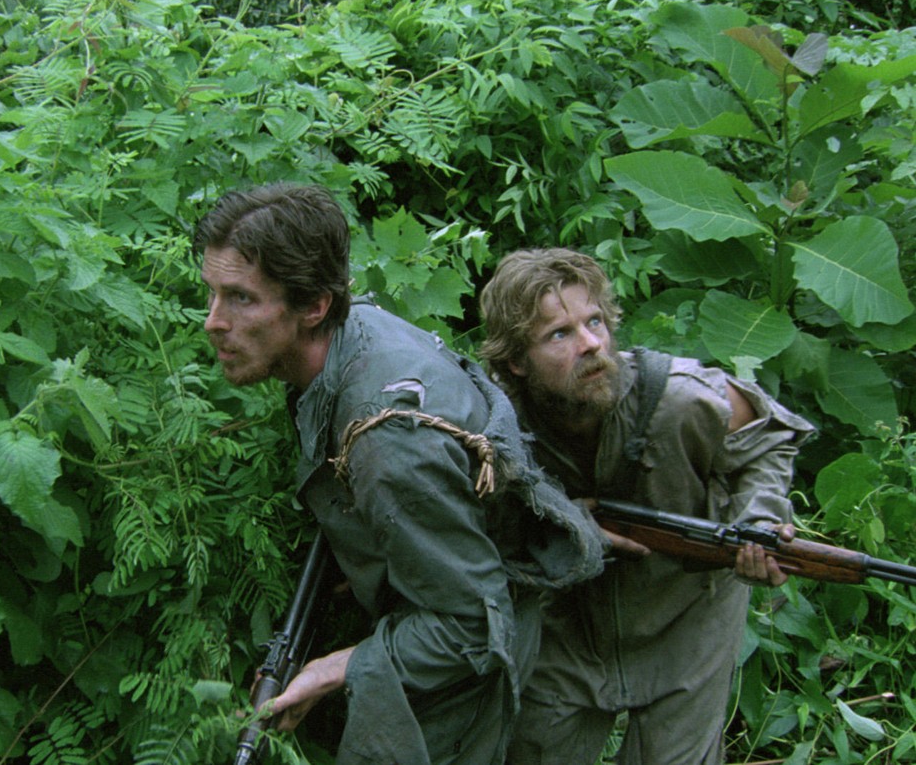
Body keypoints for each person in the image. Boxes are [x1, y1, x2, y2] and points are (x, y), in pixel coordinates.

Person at [194, 183, 607, 764]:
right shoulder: (352, 330)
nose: (214, 322)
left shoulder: (387, 440)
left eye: (240, 298)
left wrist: (341, 665)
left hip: (470, 669)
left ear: (314, 305)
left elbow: (472, 628)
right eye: (213, 295)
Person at [478, 247, 816, 765]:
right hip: (569, 626)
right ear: (516, 362)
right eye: (560, 334)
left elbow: (771, 436)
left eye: (595, 321)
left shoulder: (681, 399)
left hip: (686, 617)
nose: (592, 344)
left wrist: (760, 520)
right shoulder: (498, 431)